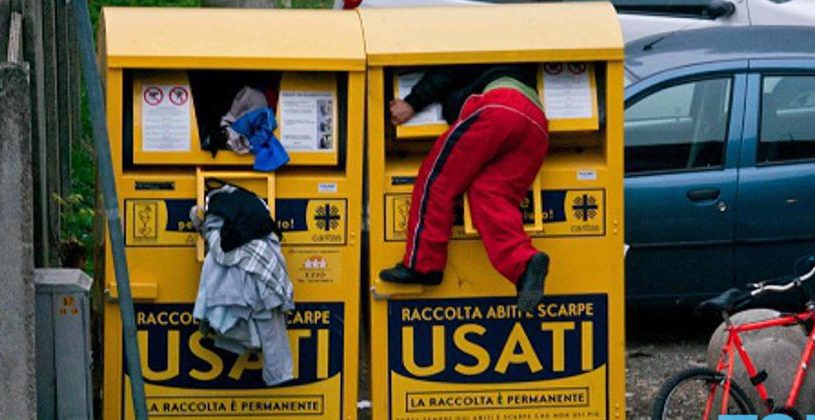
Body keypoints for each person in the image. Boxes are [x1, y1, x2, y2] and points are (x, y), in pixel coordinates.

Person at [379, 64, 551, 313]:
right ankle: (524, 264)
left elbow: (447, 69)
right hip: (536, 121)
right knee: (490, 194)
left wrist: (412, 103)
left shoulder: (464, 38)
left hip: (498, 105)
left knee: (437, 178)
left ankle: (423, 265)